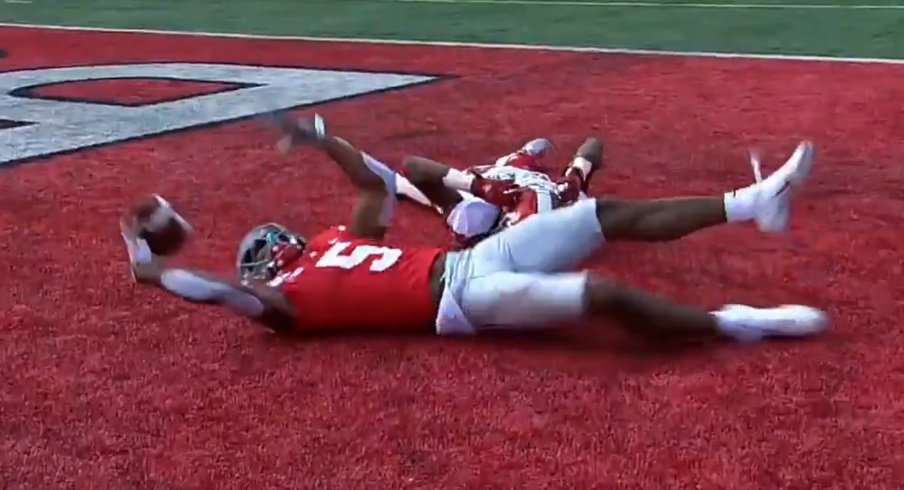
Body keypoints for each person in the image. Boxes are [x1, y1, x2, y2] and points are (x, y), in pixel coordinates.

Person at [120, 113, 827, 341]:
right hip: (458, 304)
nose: (272, 250)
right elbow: (211, 290)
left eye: (270, 242)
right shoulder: (284, 306)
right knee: (599, 297)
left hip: (469, 260)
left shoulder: (336, 242)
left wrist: (318, 141)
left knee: (604, 216)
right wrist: (145, 268)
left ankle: (751, 201)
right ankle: (734, 322)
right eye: (262, 252)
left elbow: (373, 181)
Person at [394, 137, 601, 248]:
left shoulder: (476, 217)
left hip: (491, 184)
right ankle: (523, 156)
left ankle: (521, 156)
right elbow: (594, 144)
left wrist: (476, 186)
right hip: (509, 181)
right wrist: (576, 173)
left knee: (459, 209)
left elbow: (412, 167)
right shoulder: (571, 205)